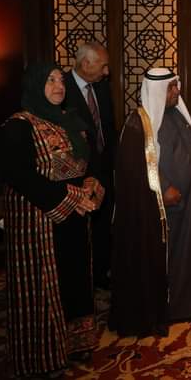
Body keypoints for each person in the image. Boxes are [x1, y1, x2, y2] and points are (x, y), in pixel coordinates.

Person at [0, 63, 102, 377]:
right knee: (45, 287)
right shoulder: (18, 126)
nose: (59, 86)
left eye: (61, 80)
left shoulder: (70, 120)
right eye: (50, 80)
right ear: (34, 85)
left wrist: (91, 186)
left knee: (75, 278)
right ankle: (43, 354)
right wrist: (73, 198)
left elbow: (87, 163)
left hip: (74, 219)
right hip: (39, 221)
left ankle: (77, 342)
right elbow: (20, 176)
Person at [110, 68, 191, 337]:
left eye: (176, 86)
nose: (177, 91)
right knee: (170, 257)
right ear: (156, 91)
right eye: (171, 88)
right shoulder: (138, 123)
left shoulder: (178, 113)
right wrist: (164, 187)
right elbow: (136, 167)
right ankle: (169, 307)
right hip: (163, 207)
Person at [64, 41, 116, 289]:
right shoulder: (61, 88)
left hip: (104, 169)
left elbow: (108, 128)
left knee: (103, 224)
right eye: (103, 66)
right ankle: (81, 278)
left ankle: (101, 274)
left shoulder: (102, 87)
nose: (107, 72)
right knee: (80, 228)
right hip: (79, 172)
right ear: (86, 63)